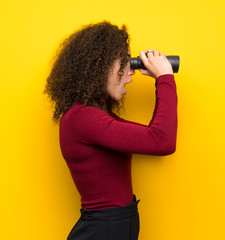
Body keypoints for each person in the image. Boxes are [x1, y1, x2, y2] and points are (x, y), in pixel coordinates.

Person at [44, 21, 178, 240]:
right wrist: (164, 78)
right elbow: (162, 141)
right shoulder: (83, 117)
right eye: (125, 63)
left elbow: (154, 135)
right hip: (103, 231)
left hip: (110, 229)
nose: (130, 72)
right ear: (100, 67)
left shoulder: (92, 114)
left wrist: (160, 78)